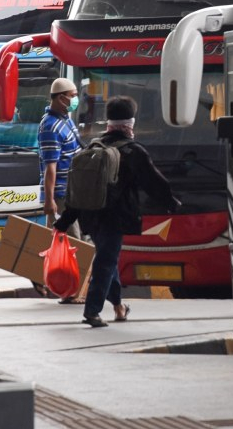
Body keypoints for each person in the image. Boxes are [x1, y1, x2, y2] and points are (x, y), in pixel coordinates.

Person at [54, 96, 180, 327]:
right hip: (115, 217)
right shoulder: (133, 151)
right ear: (130, 124)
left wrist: (65, 221)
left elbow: (78, 189)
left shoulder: (93, 147)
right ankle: (92, 311)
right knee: (106, 261)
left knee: (107, 258)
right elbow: (154, 182)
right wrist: (172, 204)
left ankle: (119, 307)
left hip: (90, 215)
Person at [38, 78, 82, 239]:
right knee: (70, 241)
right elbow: (50, 166)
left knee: (77, 242)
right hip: (61, 195)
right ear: (61, 98)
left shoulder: (65, 119)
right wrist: (49, 200)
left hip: (72, 192)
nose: (76, 99)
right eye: (73, 95)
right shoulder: (50, 126)